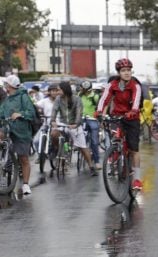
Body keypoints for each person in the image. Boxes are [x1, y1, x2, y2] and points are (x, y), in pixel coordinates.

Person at [96, 57, 143, 191]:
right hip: (116, 116)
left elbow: (136, 100)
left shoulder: (135, 85)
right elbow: (104, 99)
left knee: (134, 149)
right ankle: (116, 154)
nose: (127, 73)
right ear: (119, 72)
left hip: (132, 118)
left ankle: (137, 179)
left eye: (129, 70)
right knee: (115, 137)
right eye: (123, 70)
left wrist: (133, 111)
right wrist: (99, 112)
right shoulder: (112, 85)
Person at [51, 81, 99, 176]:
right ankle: (59, 152)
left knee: (82, 147)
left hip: (74, 125)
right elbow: (54, 110)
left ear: (64, 90)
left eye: (59, 90)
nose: (57, 92)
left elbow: (79, 113)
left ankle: (91, 166)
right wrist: (53, 121)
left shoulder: (76, 99)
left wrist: (76, 124)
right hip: (62, 124)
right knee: (53, 134)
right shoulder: (58, 99)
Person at [0, 75, 35, 195]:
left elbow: (31, 113)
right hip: (8, 128)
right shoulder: (7, 99)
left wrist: (20, 114)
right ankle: (3, 156)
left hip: (21, 131)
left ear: (10, 86)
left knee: (23, 158)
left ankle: (25, 184)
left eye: (6, 85)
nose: (5, 87)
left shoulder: (23, 97)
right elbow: (1, 112)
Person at [79, 80, 101, 168]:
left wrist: (99, 116)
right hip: (81, 119)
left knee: (95, 141)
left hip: (92, 119)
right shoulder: (79, 96)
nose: (82, 90)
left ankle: (97, 161)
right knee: (81, 141)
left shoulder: (95, 97)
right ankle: (85, 156)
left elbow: (100, 108)